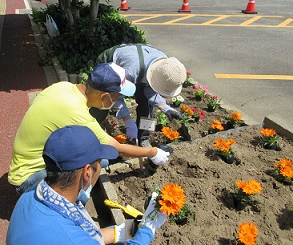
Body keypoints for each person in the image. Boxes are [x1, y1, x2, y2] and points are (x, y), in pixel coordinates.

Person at [8, 62, 170, 195]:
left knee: (101, 158)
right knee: (95, 164)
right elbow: (118, 149)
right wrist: (153, 152)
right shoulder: (76, 112)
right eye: (118, 97)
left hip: (24, 164)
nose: (117, 101)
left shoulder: (62, 87)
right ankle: (76, 204)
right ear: (105, 96)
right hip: (29, 178)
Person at [7, 125, 167, 245]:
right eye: (99, 163)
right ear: (87, 172)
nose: (100, 166)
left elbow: (83, 235)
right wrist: (148, 229)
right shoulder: (69, 238)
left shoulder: (35, 192)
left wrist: (121, 232)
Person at [90, 43, 187, 147]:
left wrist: (164, 107)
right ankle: (91, 130)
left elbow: (150, 90)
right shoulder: (130, 72)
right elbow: (114, 97)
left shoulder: (166, 67)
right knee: (103, 102)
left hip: (141, 67)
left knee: (147, 106)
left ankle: (143, 138)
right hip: (113, 62)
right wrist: (128, 121)